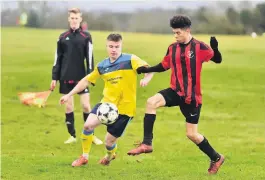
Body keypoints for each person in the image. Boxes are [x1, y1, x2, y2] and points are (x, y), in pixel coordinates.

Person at [127, 15, 224, 175]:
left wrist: (215, 49)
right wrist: (146, 70)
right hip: (175, 91)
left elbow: (218, 60)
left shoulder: (200, 47)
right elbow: (164, 66)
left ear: (187, 30)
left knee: (192, 134)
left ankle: (216, 157)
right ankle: (147, 144)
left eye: (178, 32)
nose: (175, 35)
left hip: (192, 98)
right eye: (174, 32)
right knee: (151, 102)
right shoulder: (173, 48)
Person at [59, 33, 154, 166]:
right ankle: (84, 157)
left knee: (108, 142)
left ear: (121, 46)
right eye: (111, 46)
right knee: (87, 125)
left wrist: (146, 78)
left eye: (117, 46)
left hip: (125, 110)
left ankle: (109, 156)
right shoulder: (102, 66)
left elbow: (150, 69)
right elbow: (86, 80)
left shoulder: (130, 60)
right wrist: (69, 94)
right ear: (106, 46)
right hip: (106, 105)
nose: (113, 49)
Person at [50, 8, 102, 145]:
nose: (74, 21)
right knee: (68, 107)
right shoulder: (62, 37)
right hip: (65, 76)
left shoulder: (86, 37)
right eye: (72, 18)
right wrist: (54, 78)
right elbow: (58, 59)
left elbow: (90, 58)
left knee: (86, 106)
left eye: (76, 18)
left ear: (80, 20)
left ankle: (91, 135)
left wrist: (91, 76)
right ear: (69, 19)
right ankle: (72, 135)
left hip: (82, 78)